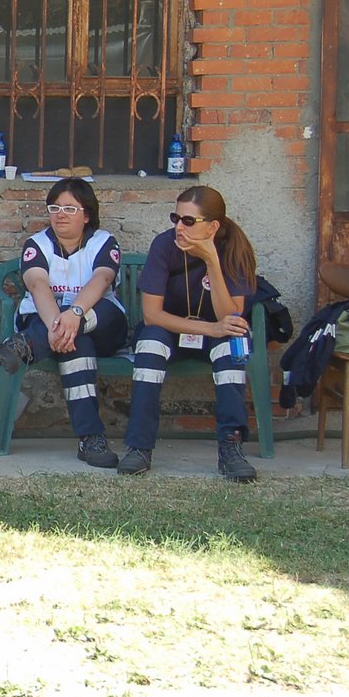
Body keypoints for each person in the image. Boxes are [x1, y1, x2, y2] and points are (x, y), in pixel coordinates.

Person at [118, 185, 259, 481]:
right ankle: (138, 447)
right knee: (150, 345)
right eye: (176, 218)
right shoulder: (164, 245)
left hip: (217, 331)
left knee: (234, 345)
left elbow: (230, 316)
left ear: (213, 226)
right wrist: (209, 327)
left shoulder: (233, 249)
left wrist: (211, 261)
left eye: (188, 221)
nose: (179, 227)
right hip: (171, 329)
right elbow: (152, 315)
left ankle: (231, 448)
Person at [0, 178, 129, 468]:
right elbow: (38, 286)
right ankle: (91, 438)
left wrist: (74, 315)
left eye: (69, 208)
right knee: (76, 342)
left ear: (86, 214)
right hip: (48, 320)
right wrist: (59, 326)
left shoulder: (103, 241)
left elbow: (102, 280)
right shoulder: (37, 245)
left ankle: (25, 346)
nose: (60, 214)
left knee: (95, 318)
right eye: (55, 207)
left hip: (100, 323)